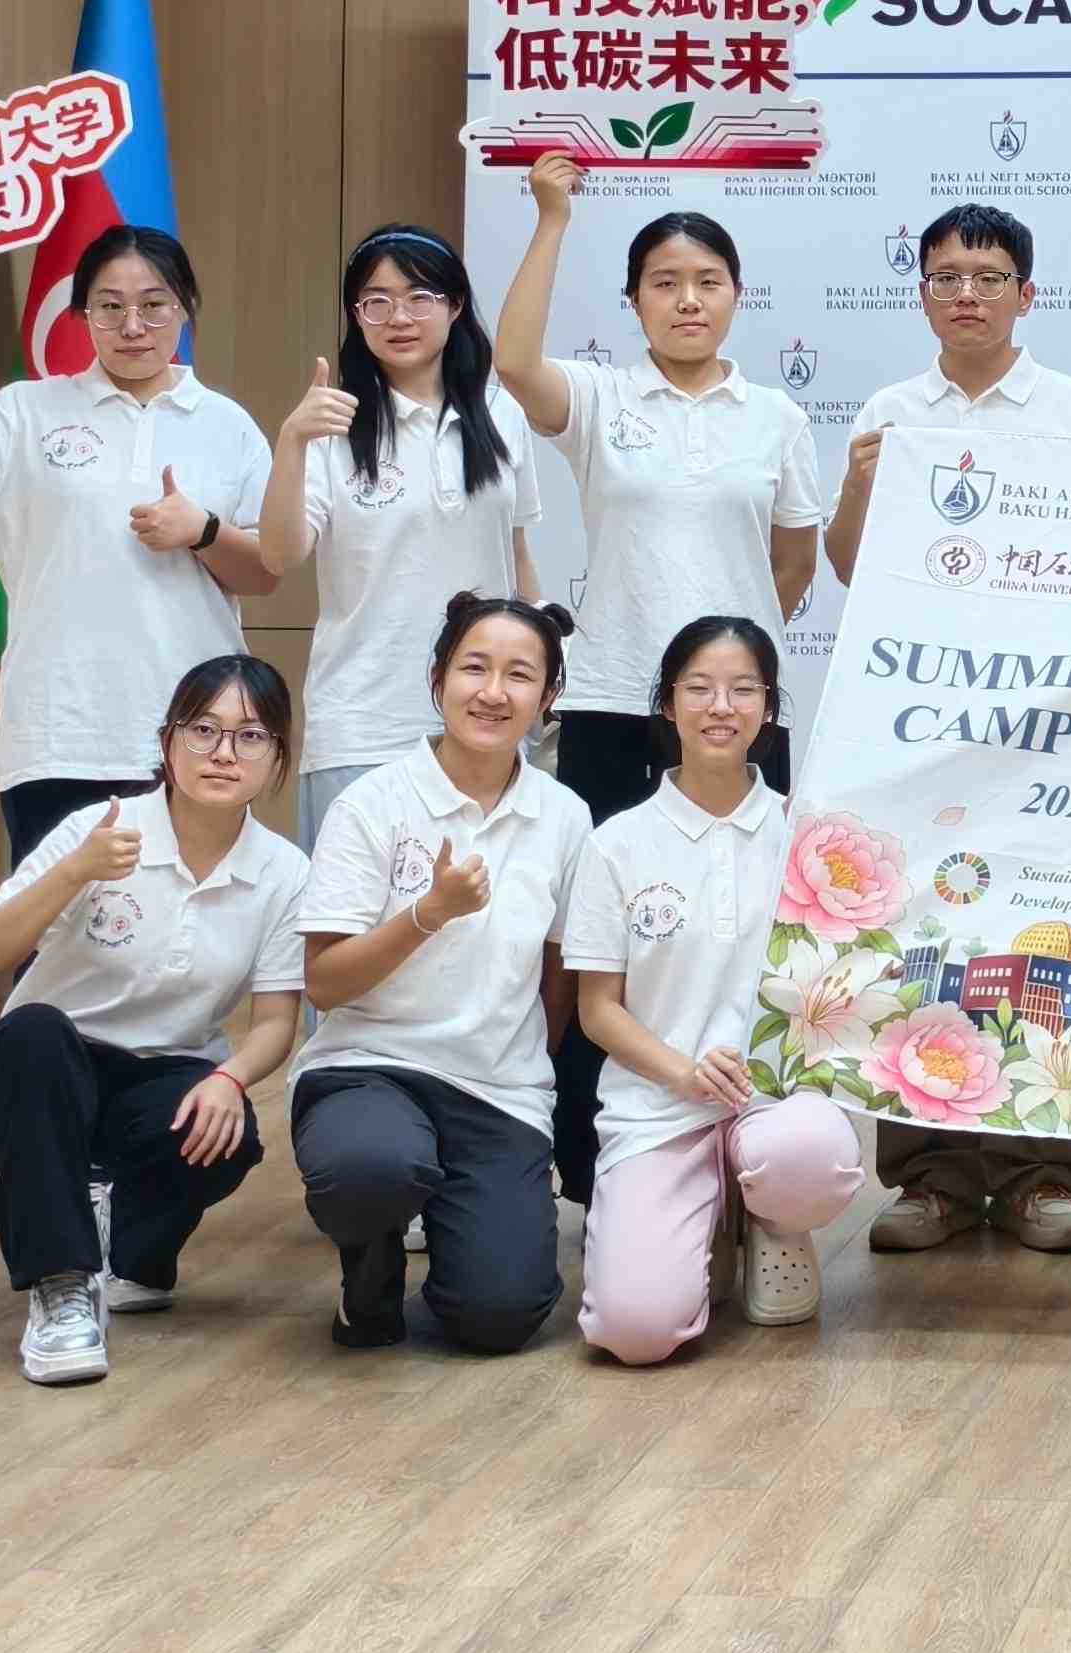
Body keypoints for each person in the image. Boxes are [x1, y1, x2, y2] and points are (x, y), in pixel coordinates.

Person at [492, 184, 824, 1202]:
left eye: (707, 282)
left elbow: (792, 561)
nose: (688, 300)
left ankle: (756, 1169)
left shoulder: (775, 417)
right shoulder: (601, 399)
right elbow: (514, 365)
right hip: (610, 706)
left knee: (749, 937)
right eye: (665, 283)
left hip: (736, 715)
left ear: (737, 296)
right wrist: (552, 219)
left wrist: (725, 672)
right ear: (633, 299)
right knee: (596, 944)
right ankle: (593, 1173)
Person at [829, 202, 1071, 1257]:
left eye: (989, 277)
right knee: (927, 942)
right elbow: (848, 570)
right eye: (947, 277)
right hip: (926, 728)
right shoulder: (889, 412)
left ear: (1026, 294)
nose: (967, 294)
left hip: (1050, 725)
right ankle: (933, 1178)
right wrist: (859, 486)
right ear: (921, 293)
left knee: (1045, 937)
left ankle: (1044, 1176)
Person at [0, 227, 279, 866]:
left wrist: (202, 531)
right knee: (52, 924)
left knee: (190, 921)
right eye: (109, 306)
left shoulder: (229, 427)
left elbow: (265, 573)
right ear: (82, 313)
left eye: (154, 305)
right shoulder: (25, 413)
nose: (132, 326)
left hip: (197, 736)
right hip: (57, 734)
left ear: (185, 307)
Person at [0, 652, 308, 1386]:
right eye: (202, 729)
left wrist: (230, 1078)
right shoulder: (98, 831)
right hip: (41, 1071)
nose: (222, 752)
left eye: (250, 736)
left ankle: (130, 1248)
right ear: (166, 741)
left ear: (278, 758)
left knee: (231, 1133)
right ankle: (60, 1288)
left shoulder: (284, 873)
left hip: (162, 1075)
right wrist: (73, 872)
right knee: (34, 1032)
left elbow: (276, 1020)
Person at [289, 593, 595, 1356]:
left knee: (500, 1316)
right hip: (369, 1070)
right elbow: (323, 983)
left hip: (497, 1089)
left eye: (519, 675)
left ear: (548, 697)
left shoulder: (565, 817)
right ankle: (369, 1272)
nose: (493, 692)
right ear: (437, 680)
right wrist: (427, 914)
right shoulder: (371, 804)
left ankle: (469, 1239)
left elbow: (559, 972)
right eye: (473, 668)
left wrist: (521, 1059)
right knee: (368, 1168)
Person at [571, 617, 867, 1361]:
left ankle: (774, 1221)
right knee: (634, 1331)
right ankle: (701, 1222)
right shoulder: (614, 844)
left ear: (769, 707)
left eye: (744, 689)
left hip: (777, 1098)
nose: (721, 707)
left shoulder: (808, 833)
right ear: (666, 704)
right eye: (699, 688)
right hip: (658, 1104)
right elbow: (597, 1009)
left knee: (813, 1155)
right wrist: (682, 1073)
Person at [261, 224, 540, 852]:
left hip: (486, 714)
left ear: (455, 305)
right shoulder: (332, 424)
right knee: (352, 907)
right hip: (362, 721)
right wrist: (292, 441)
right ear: (356, 315)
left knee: (485, 903)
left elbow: (517, 557)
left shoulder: (502, 415)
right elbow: (278, 554)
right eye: (377, 301)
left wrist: (538, 679)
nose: (399, 317)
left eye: (420, 297)